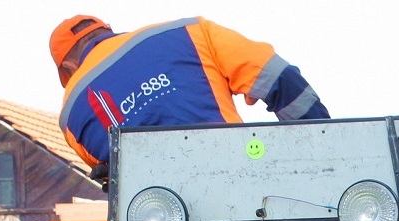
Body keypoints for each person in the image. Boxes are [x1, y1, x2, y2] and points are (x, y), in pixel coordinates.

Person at [50, 15, 331, 168]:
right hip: (245, 196)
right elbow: (278, 78)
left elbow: (108, 176)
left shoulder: (70, 114)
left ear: (68, 68)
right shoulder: (191, 32)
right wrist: (324, 151)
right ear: (106, 31)